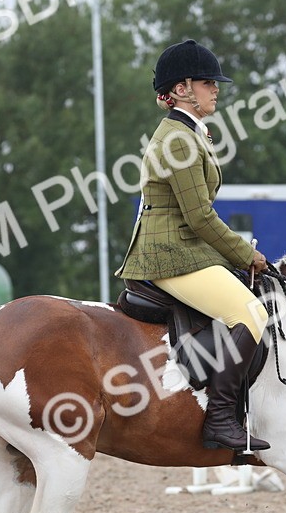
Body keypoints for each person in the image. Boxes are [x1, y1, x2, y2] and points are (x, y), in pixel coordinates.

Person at [116, 39, 271, 452]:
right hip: (169, 257)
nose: (216, 89)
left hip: (184, 250)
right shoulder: (178, 141)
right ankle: (220, 418)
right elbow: (199, 216)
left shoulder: (188, 133)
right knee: (251, 313)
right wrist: (245, 253)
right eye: (207, 82)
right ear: (183, 88)